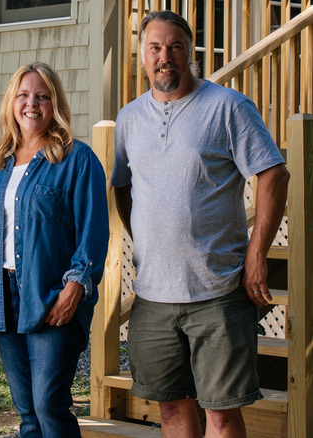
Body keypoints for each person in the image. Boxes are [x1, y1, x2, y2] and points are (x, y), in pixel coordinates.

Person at [112, 10, 290, 436]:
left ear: (189, 52)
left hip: (219, 292)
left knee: (221, 413)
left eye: (175, 46)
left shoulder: (227, 107)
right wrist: (148, 241)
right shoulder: (129, 119)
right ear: (142, 55)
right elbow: (122, 185)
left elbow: (274, 174)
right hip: (153, 297)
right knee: (171, 409)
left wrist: (256, 256)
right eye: (155, 47)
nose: (165, 56)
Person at [0, 62, 109, 437]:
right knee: (27, 413)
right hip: (5, 295)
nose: (31, 104)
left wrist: (74, 289)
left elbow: (93, 232)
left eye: (42, 96)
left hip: (51, 294)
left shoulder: (77, 159)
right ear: (11, 103)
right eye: (23, 95)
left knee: (50, 404)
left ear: (55, 104)